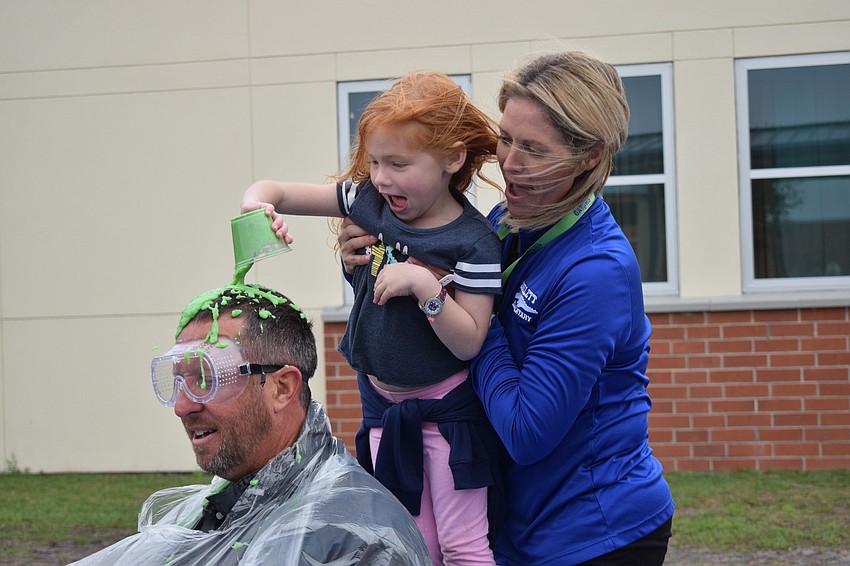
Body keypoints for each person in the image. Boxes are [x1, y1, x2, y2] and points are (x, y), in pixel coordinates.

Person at [338, 51, 675, 565]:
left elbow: (525, 431)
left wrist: (469, 316)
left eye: (535, 150)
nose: (510, 163)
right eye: (507, 138)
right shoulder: (502, 222)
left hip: (593, 532)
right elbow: (417, 311)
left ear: (589, 157)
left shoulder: (596, 272)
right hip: (516, 522)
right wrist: (365, 263)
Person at [240, 71, 503, 565]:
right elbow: (279, 189)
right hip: (383, 413)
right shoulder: (369, 201)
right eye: (376, 162)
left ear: (452, 159)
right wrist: (259, 203)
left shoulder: (473, 243)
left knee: (462, 545)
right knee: (411, 543)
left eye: (399, 164)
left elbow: (469, 341)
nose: (382, 177)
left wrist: (427, 289)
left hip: (445, 418)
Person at [72, 283, 431, 566]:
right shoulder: (215, 510)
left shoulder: (355, 537)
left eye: (207, 377)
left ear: (281, 387)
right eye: (178, 380)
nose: (182, 406)